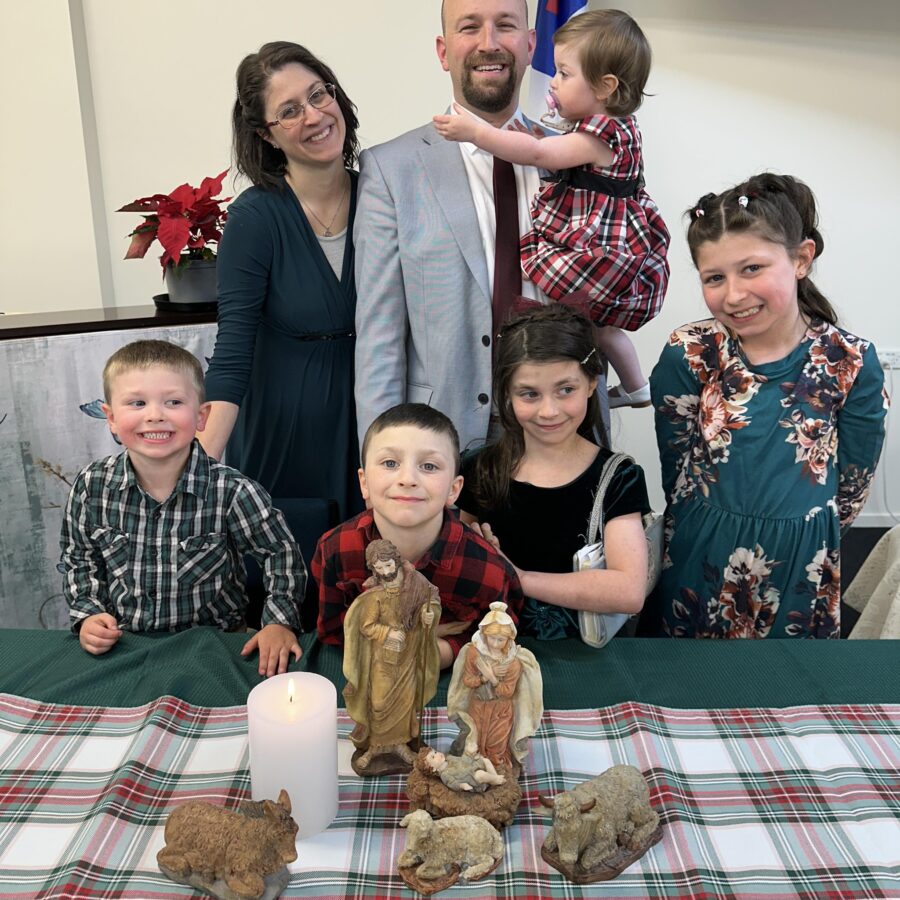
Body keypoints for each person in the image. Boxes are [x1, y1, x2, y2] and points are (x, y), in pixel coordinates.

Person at [646, 173, 888, 638]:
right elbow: (676, 464)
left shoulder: (851, 361)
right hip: (702, 550)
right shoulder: (690, 352)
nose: (734, 294)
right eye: (715, 278)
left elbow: (855, 479)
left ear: (801, 259)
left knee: (790, 677)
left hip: (803, 559)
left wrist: (804, 526)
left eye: (752, 268)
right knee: (689, 674)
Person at [354, 0, 571, 452]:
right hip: (443, 439)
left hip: (565, 428)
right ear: (443, 51)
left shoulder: (576, 155)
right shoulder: (391, 170)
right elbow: (380, 339)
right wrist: (383, 459)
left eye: (505, 26)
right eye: (469, 27)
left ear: (532, 45)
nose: (488, 43)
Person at [434, 9, 669, 411]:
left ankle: (633, 386)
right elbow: (551, 146)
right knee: (602, 327)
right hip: (611, 241)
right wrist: (539, 133)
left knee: (575, 305)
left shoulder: (603, 132)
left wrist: (477, 133)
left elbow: (540, 154)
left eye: (564, 73)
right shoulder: (610, 128)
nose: (554, 82)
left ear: (605, 86)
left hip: (598, 246)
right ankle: (635, 386)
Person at [60, 340, 305, 676]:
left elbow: (281, 554)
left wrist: (278, 622)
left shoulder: (233, 491)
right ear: (112, 418)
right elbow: (79, 559)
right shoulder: (91, 486)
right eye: (137, 403)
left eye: (173, 402)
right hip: (127, 645)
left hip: (218, 646)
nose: (155, 415)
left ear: (201, 416)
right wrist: (89, 614)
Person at [202, 42, 363, 525]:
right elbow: (233, 349)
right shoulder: (255, 217)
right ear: (265, 134)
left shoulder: (382, 195)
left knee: (376, 566)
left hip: (374, 427)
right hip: (283, 432)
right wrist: (193, 473)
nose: (314, 116)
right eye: (289, 111)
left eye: (318, 95)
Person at [457, 303, 651, 639]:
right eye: (530, 394)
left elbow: (629, 591)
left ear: (591, 384)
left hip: (585, 652)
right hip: (494, 648)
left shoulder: (619, 478)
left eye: (565, 390)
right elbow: (465, 562)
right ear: (506, 393)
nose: (549, 411)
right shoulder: (478, 468)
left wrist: (520, 578)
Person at [312, 403, 524, 669]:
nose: (408, 479)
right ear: (364, 483)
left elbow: (503, 637)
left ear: (454, 490)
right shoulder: (335, 550)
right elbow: (333, 630)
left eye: (429, 466)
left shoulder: (489, 570)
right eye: (390, 463)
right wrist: (417, 637)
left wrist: (442, 652)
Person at [342, 539, 441, 772]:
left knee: (406, 702)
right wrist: (387, 633)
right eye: (379, 568)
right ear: (373, 568)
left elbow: (431, 601)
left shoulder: (415, 582)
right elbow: (366, 626)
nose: (386, 572)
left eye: (388, 565)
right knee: (379, 702)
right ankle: (375, 747)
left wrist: (428, 615)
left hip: (409, 655)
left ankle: (400, 745)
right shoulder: (375, 595)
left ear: (396, 560)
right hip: (382, 659)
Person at [447, 601, 542, 769]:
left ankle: (497, 773)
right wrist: (484, 678)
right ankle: (474, 772)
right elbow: (468, 680)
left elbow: (507, 692)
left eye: (501, 640)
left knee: (495, 746)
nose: (496, 644)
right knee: (474, 744)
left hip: (501, 710)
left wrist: (493, 678)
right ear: (484, 635)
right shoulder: (474, 653)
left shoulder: (513, 662)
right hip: (478, 705)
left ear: (509, 639)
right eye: (492, 638)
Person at [423, 749, 506, 792]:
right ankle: (495, 779)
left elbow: (462, 760)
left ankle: (494, 778)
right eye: (433, 757)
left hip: (472, 767)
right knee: (480, 775)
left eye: (435, 752)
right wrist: (462, 786)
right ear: (433, 768)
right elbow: (452, 783)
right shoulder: (445, 774)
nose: (437, 754)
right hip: (472, 779)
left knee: (485, 760)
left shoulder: (449, 758)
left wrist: (471, 756)